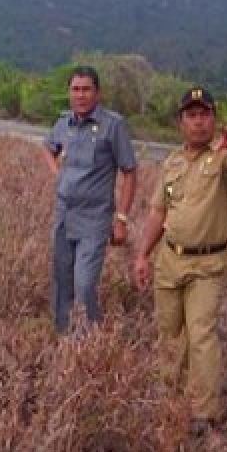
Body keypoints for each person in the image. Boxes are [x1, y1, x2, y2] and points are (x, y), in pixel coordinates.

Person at [134, 87, 227, 431]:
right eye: (192, 115)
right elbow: (158, 213)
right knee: (169, 333)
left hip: (207, 265)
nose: (199, 122)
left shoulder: (223, 157)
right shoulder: (171, 163)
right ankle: (170, 399)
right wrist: (143, 255)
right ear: (181, 122)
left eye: (205, 115)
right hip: (170, 259)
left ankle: (205, 412)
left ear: (214, 119)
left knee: (201, 334)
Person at [42, 66, 137, 334]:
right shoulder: (64, 123)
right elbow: (48, 147)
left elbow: (129, 172)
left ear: (98, 93)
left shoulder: (112, 125)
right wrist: (57, 174)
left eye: (86, 89)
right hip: (64, 213)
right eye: (75, 89)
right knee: (62, 280)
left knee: (84, 283)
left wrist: (121, 218)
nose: (80, 95)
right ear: (69, 92)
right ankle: (63, 338)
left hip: (95, 218)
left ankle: (89, 339)